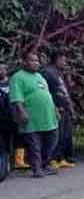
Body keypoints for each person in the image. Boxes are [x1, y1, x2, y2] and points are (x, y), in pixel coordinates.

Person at [8, 50, 60, 178]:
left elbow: (48, 95)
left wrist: (55, 110)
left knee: (53, 138)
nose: (36, 63)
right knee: (34, 144)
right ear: (24, 62)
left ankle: (44, 164)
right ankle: (37, 168)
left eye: (37, 61)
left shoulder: (39, 76)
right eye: (32, 60)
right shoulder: (18, 77)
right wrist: (21, 112)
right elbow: (16, 98)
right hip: (31, 117)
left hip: (48, 116)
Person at [41, 50, 75, 168]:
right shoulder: (47, 72)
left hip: (65, 108)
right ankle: (52, 159)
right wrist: (54, 106)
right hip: (56, 108)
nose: (65, 62)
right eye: (63, 60)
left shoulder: (59, 73)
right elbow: (45, 91)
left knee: (65, 134)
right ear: (57, 59)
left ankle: (61, 158)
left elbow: (63, 91)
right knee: (57, 135)